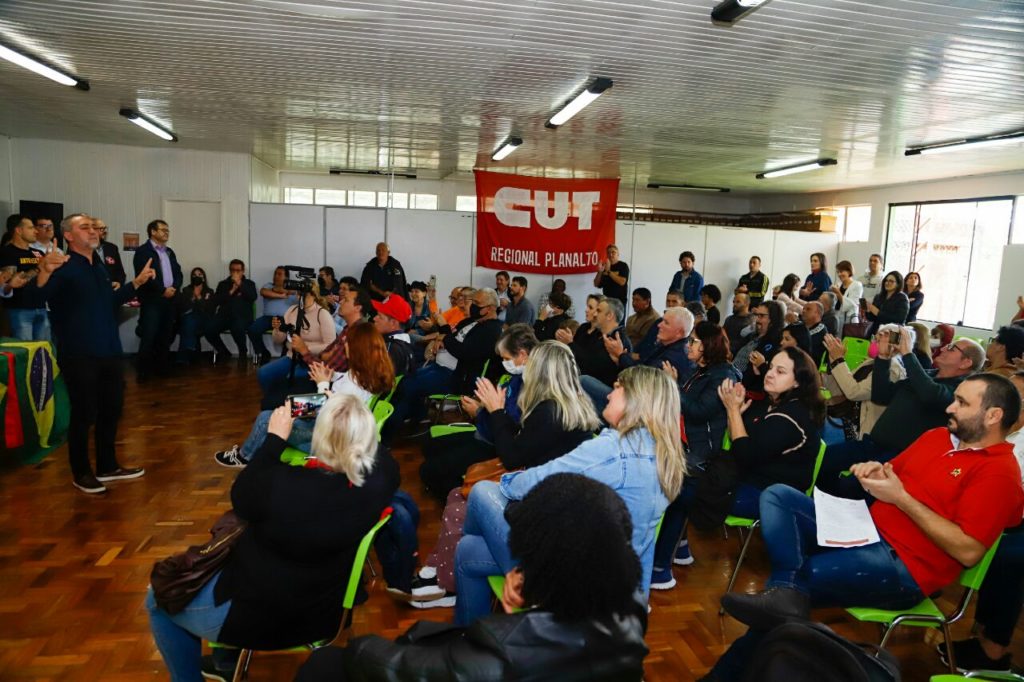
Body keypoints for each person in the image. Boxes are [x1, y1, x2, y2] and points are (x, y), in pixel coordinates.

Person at [717, 374, 1023, 638]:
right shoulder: (938, 437)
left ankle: (781, 599)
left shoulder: (999, 473)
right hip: (865, 530)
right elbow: (891, 471)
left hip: (906, 567)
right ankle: (785, 590)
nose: (949, 407)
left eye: (962, 403)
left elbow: (969, 551)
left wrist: (901, 498)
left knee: (802, 581)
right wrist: (875, 471)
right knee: (778, 495)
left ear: (993, 415)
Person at [295, 474, 649, 682]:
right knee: (467, 553)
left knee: (321, 666)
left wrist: (358, 647)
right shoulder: (631, 608)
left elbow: (387, 664)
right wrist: (535, 582)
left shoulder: (501, 651)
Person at [148, 395, 399, 682]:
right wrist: (346, 415)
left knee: (156, 598)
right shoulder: (381, 480)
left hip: (263, 615)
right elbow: (379, 455)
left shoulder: (282, 487)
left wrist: (275, 439)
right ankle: (224, 660)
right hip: (325, 609)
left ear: (319, 438)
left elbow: (241, 495)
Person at [454, 364, 685, 624]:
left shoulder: (612, 450)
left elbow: (535, 482)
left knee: (483, 491)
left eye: (618, 388)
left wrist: (507, 482)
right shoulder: (663, 454)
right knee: (468, 550)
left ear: (637, 399)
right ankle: (472, 641)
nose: (608, 394)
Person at [409, 340, 601, 608]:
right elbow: (523, 443)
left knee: (460, 505)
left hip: (542, 502)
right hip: (543, 487)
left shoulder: (550, 410)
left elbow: (512, 456)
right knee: (457, 495)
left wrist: (496, 410)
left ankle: (449, 583)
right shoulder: (566, 403)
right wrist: (496, 411)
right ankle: (443, 568)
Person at [33, 214, 155, 493]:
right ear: (68, 236)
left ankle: (107, 466)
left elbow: (109, 301)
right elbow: (37, 299)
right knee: (84, 414)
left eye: (94, 227)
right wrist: (43, 271)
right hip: (79, 352)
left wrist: (135, 283)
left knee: (111, 410)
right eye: (84, 227)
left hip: (109, 350)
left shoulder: (97, 265)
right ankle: (81, 472)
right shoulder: (62, 266)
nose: (93, 231)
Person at [818, 330, 985, 492]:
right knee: (820, 462)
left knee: (849, 487)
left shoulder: (961, 390)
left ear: (966, 362)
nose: (942, 348)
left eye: (951, 348)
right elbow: (881, 395)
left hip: (899, 458)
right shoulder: (928, 375)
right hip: (872, 445)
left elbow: (930, 394)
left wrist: (907, 354)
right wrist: (883, 358)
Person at [217, 320, 396, 468]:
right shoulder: (365, 373)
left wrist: (323, 383)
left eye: (348, 342)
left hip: (330, 443)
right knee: (285, 407)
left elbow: (329, 413)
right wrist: (331, 376)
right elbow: (342, 387)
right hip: (338, 429)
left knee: (268, 418)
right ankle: (259, 455)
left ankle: (244, 457)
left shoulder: (354, 386)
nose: (345, 344)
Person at [941, 370, 1024, 672]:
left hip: (1017, 522)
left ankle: (994, 648)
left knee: (1006, 557)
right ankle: (981, 635)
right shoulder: (991, 435)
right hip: (1001, 515)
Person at [651, 322, 741, 587]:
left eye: (694, 341)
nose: (688, 345)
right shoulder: (704, 370)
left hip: (699, 454)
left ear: (708, 346)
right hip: (686, 444)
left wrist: (673, 385)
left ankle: (659, 569)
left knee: (674, 500)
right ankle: (680, 549)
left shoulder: (723, 376)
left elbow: (698, 412)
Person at [417, 325, 539, 500]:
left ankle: (461, 503)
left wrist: (479, 411)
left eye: (506, 358)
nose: (504, 363)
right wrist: (481, 406)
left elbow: (507, 426)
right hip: (484, 433)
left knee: (428, 471)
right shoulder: (518, 377)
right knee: (430, 443)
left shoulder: (530, 387)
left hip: (493, 445)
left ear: (522, 355)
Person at [390, 288, 504, 429]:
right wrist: (442, 338)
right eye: (472, 301)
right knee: (405, 377)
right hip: (443, 367)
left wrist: (446, 335)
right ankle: (416, 416)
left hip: (457, 377)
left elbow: (463, 351)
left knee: (408, 384)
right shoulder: (473, 322)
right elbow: (451, 335)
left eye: (477, 302)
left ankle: (391, 427)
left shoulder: (491, 330)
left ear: (490, 308)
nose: (472, 305)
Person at [590, 306, 694, 413]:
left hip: (642, 408)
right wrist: (619, 358)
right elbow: (641, 365)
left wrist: (621, 355)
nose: (659, 325)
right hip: (637, 398)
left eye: (666, 323)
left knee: (585, 381)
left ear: (679, 333)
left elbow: (641, 377)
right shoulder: (666, 345)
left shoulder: (675, 356)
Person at [822, 327, 908, 440]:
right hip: (848, 421)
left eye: (881, 338)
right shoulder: (870, 362)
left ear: (896, 346)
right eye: (876, 337)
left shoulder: (893, 370)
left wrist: (838, 360)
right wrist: (834, 358)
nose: (875, 341)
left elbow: (854, 393)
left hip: (865, 434)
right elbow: (838, 388)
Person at [258, 283, 337, 394]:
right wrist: (278, 329)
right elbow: (278, 340)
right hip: (292, 357)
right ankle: (274, 401)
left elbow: (330, 345)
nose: (301, 298)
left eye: (305, 295)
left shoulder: (322, 314)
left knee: (294, 378)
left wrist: (304, 348)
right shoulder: (292, 310)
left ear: (314, 295)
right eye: (300, 294)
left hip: (314, 361)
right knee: (263, 373)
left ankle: (287, 403)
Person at [133, 219, 183, 381]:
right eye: (163, 230)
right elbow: (144, 276)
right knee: (149, 334)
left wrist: (174, 287)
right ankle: (143, 372)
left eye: (167, 230)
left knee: (165, 335)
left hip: (170, 299)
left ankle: (162, 368)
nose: (166, 233)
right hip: (153, 300)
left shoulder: (169, 252)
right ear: (153, 232)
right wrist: (162, 290)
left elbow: (178, 273)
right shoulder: (143, 251)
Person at [0, 214, 49, 340]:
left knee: (44, 354)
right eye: (31, 228)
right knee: (25, 353)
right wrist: (39, 268)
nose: (36, 231)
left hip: (42, 307)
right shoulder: (6, 253)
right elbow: (10, 283)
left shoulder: (38, 253)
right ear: (18, 230)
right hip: (19, 310)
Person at [204, 259, 258, 362]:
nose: (235, 273)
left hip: (243, 317)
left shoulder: (249, 284)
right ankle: (223, 351)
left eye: (238, 270)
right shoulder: (223, 284)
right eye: (233, 270)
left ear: (243, 271)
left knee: (237, 326)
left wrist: (240, 284)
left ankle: (243, 352)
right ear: (229, 271)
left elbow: (252, 297)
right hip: (224, 317)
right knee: (208, 329)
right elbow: (217, 301)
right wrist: (232, 290)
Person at [248, 266, 298, 365]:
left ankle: (284, 358)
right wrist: (282, 295)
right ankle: (264, 352)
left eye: (279, 274)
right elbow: (263, 292)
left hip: (285, 319)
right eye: (275, 273)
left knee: (289, 331)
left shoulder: (293, 289)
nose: (276, 276)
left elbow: (299, 295)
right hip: (268, 318)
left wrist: (289, 291)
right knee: (252, 330)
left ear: (286, 278)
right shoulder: (269, 285)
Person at [741, 301, 786, 398]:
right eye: (756, 315)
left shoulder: (776, 343)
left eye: (761, 316)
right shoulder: (752, 336)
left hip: (747, 392)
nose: (757, 319)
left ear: (773, 319)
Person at [176, 267, 215, 365]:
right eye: (194, 275)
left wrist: (199, 296)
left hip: (204, 319)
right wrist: (193, 297)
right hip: (189, 317)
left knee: (188, 322)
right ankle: (189, 350)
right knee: (188, 320)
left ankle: (184, 355)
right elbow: (184, 307)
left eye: (199, 274)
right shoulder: (186, 290)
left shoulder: (209, 291)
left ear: (204, 277)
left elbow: (208, 310)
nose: (197, 277)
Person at [371, 294, 414, 379]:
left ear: (393, 323)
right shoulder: (403, 344)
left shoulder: (391, 349)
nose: (374, 319)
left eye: (380, 316)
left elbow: (376, 382)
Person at [865, 270, 910, 336]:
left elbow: (900, 319)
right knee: (872, 346)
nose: (887, 283)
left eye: (891, 281)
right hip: (876, 332)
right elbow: (872, 318)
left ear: (898, 284)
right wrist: (868, 311)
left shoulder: (902, 298)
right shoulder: (878, 297)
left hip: (892, 334)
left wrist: (878, 313)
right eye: (886, 280)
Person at [93, 217, 126, 286]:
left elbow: (120, 272)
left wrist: (119, 283)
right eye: (101, 229)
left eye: (105, 228)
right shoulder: (85, 249)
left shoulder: (112, 248)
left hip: (113, 292)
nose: (105, 231)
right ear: (92, 230)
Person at [831, 259, 862, 328]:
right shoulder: (839, 285)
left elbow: (851, 304)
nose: (839, 274)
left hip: (850, 320)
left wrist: (838, 292)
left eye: (841, 271)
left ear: (849, 271)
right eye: (838, 272)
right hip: (838, 318)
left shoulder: (857, 285)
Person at [723, 292, 755, 357]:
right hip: (725, 353)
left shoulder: (752, 321)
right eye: (734, 302)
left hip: (741, 357)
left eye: (738, 302)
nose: (734, 304)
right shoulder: (729, 319)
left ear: (747, 304)